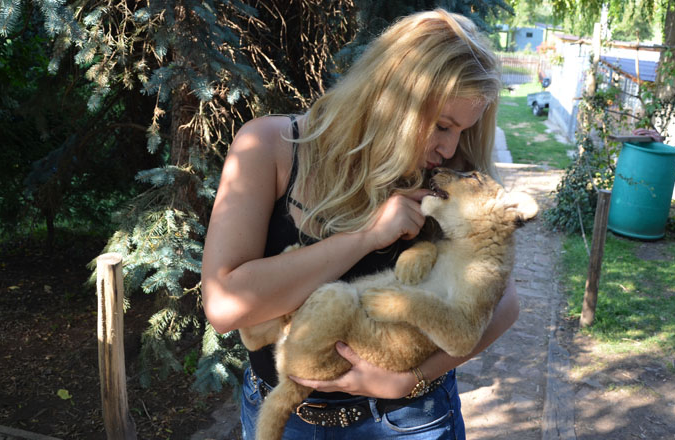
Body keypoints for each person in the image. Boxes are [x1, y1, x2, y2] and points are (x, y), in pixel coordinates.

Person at [201, 9, 520, 439]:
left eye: (462, 130)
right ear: (392, 98)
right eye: (443, 125)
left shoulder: (445, 177)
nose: (449, 147)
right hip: (277, 416)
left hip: (408, 420)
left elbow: (504, 302)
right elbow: (223, 307)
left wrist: (414, 379)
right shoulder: (270, 148)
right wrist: (366, 236)